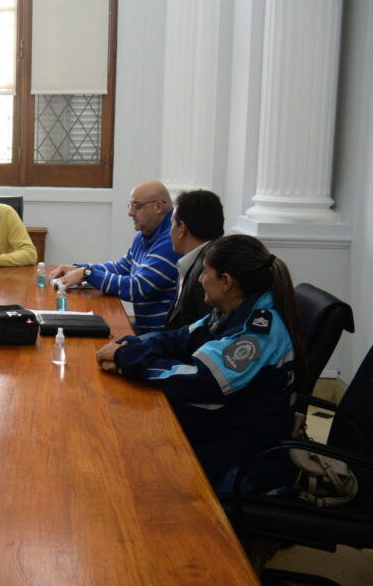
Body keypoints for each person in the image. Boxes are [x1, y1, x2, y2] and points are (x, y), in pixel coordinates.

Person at [95, 234, 307, 494]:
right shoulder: (231, 311)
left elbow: (201, 381)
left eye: (205, 272)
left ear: (226, 282)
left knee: (141, 483)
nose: (199, 279)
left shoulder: (257, 334)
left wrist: (127, 361)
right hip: (221, 434)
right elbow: (179, 339)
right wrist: (129, 348)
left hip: (246, 462)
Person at [48, 180, 178, 333]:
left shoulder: (170, 240)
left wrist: (87, 273)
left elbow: (137, 288)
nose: (130, 213)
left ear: (158, 207)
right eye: (130, 206)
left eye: (137, 206)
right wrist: (79, 269)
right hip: (145, 329)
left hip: (162, 336)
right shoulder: (145, 235)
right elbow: (121, 268)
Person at [165, 189, 224, 330]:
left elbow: (205, 334)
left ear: (182, 229)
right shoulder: (196, 260)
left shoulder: (207, 272)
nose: (169, 231)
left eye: (171, 224)